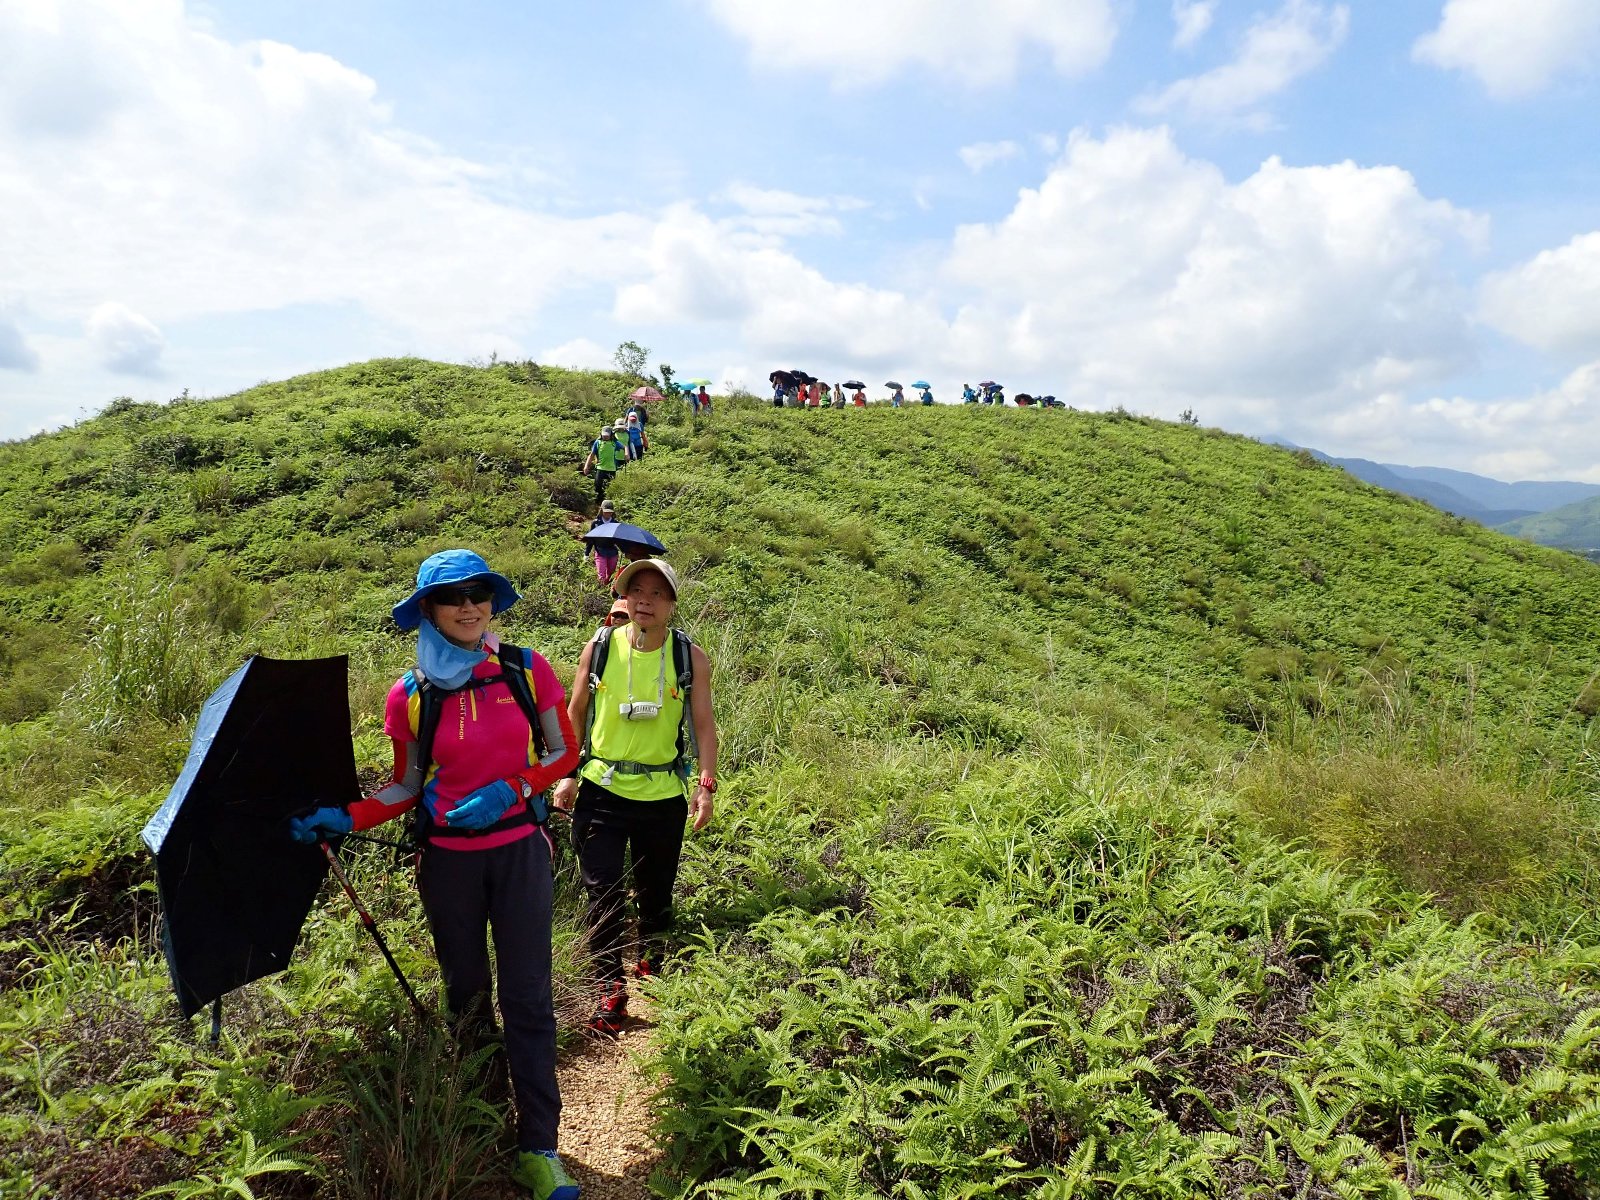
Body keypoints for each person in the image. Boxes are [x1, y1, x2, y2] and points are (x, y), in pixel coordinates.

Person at [289, 550, 581, 1200]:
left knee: (528, 998)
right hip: (447, 863)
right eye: (453, 597)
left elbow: (565, 753)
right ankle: (483, 1122)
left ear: (493, 601)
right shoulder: (411, 694)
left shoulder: (525, 669)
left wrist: (515, 788)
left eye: (479, 593)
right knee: (466, 996)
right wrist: (346, 817)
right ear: (429, 610)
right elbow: (405, 787)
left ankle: (539, 1145)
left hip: (519, 853)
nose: (469, 606)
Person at [552, 559, 717, 1038]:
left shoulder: (690, 657)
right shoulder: (600, 647)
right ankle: (610, 986)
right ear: (624, 598)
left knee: (655, 889)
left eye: (657, 593)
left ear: (672, 603)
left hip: (662, 795)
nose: (645, 600)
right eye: (636, 591)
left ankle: (652, 953)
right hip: (601, 790)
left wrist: (705, 786)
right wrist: (567, 775)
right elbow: (575, 712)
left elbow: (704, 725)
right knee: (601, 892)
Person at [582, 425, 623, 506]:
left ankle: (609, 505)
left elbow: (624, 447)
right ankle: (598, 504)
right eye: (604, 435)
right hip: (600, 468)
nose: (605, 437)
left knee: (609, 487)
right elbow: (592, 455)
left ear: (611, 435)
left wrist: (626, 454)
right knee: (597, 486)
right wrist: (586, 466)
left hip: (611, 469)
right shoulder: (598, 442)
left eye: (607, 436)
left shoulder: (614, 443)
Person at [588, 501, 620, 587]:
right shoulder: (596, 523)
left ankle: (607, 587)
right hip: (600, 551)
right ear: (601, 510)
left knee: (610, 573)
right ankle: (601, 589)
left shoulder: (615, 523)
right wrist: (586, 553)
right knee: (601, 574)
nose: (608, 514)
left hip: (612, 552)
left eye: (610, 512)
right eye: (606, 512)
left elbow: (619, 539)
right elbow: (591, 539)